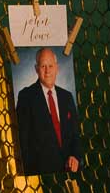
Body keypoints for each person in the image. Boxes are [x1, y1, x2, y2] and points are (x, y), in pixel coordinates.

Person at [15, 48, 82, 176]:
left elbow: (75, 135)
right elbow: (22, 142)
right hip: (41, 175)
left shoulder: (66, 96)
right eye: (43, 66)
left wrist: (75, 156)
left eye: (50, 66)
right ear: (36, 69)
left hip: (70, 173)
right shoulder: (26, 96)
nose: (47, 71)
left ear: (57, 68)